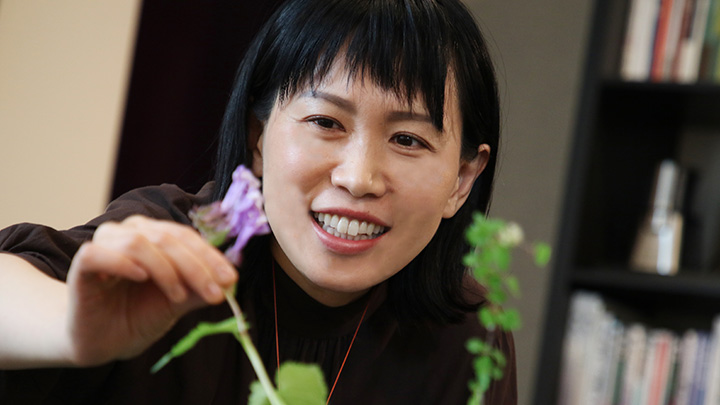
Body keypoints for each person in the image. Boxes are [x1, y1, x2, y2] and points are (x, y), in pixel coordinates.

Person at [0, 0, 515, 403]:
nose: (359, 178)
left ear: (462, 179)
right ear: (257, 137)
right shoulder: (182, 248)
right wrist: (70, 327)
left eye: (408, 140)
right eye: (325, 123)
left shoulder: (469, 337)